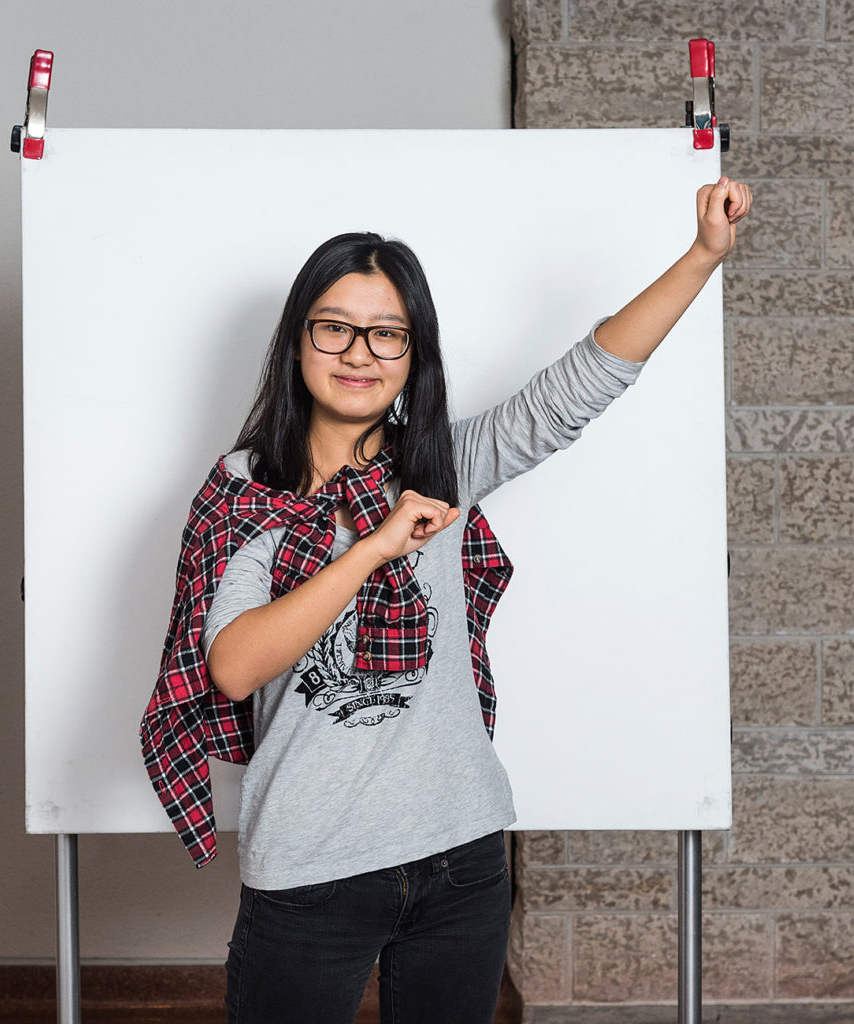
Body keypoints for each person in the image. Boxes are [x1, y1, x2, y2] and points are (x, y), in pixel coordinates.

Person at [141, 176, 751, 1024]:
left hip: (462, 861)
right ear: (297, 343)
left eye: (387, 335)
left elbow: (579, 387)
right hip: (310, 869)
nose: (360, 353)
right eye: (336, 328)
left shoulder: (442, 470)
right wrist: (378, 544)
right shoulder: (248, 493)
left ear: (413, 356)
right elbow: (237, 665)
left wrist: (700, 258)